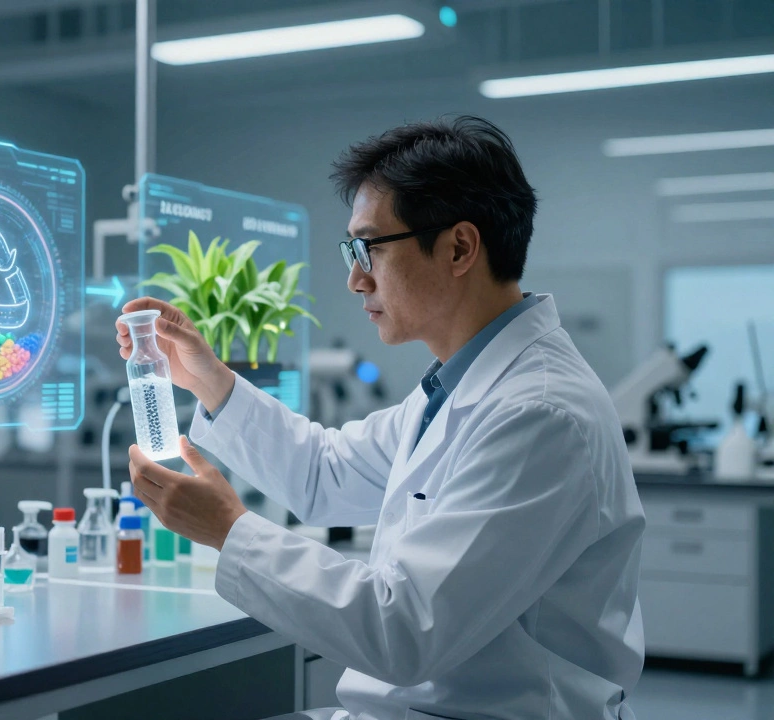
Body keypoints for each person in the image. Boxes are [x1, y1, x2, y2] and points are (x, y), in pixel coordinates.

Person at [117, 116, 644, 720]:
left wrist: (229, 530)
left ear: (459, 248)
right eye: (351, 249)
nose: (354, 277)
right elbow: (324, 472)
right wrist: (206, 377)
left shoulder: (539, 415)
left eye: (369, 248)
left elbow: (408, 631)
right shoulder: (459, 385)